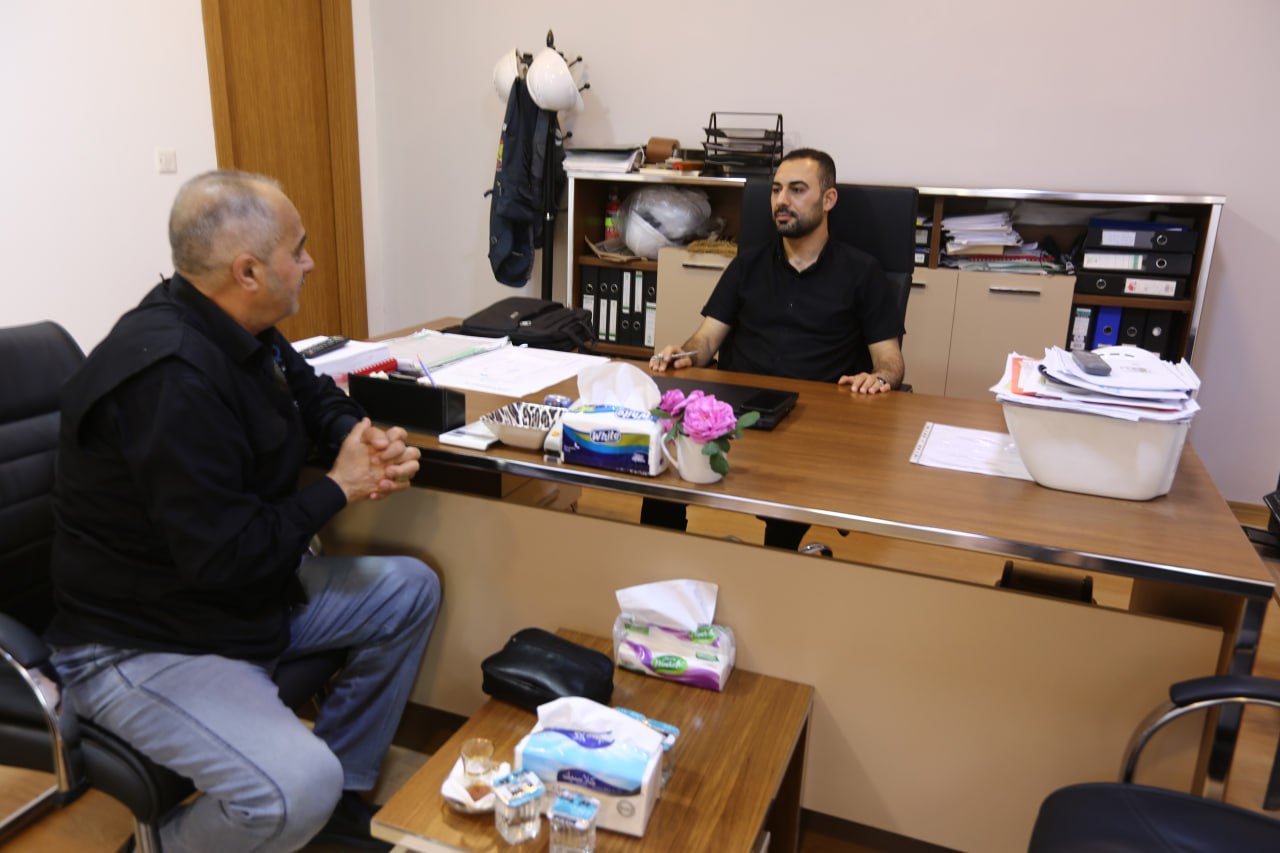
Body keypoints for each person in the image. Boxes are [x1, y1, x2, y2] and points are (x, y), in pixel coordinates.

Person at [46, 170, 440, 852]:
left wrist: (358, 437)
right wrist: (339, 487)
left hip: (233, 601)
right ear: (248, 271)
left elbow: (311, 392)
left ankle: (339, 802)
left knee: (409, 590)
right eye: (299, 249)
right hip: (146, 638)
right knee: (295, 788)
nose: (309, 263)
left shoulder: (233, 324)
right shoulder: (169, 380)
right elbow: (226, 556)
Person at [647, 148, 905, 550]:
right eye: (776, 190)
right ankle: (660, 561)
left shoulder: (862, 272)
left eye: (797, 190)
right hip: (738, 416)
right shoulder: (747, 265)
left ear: (829, 199)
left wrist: (879, 378)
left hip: (815, 426)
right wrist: (683, 354)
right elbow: (706, 340)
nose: (781, 200)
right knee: (662, 472)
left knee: (785, 509)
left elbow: (890, 361)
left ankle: (776, 574)